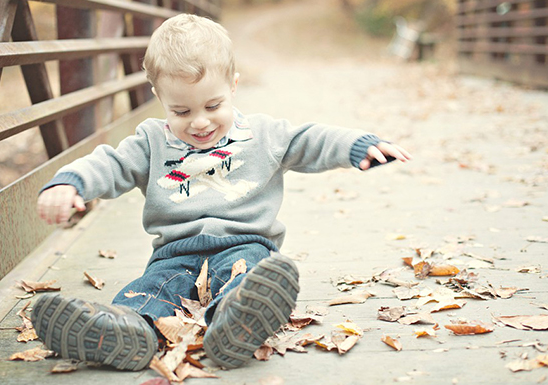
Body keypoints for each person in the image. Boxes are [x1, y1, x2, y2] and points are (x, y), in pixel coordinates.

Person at [31, 13, 411, 372]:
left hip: (245, 244)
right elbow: (110, 164)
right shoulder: (150, 141)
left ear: (233, 84)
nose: (199, 122)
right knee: (150, 291)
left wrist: (358, 145)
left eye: (213, 105)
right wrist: (70, 182)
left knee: (250, 278)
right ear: (158, 96)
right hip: (175, 253)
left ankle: (234, 325)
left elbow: (310, 138)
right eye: (180, 111)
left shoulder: (262, 134)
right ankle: (123, 331)